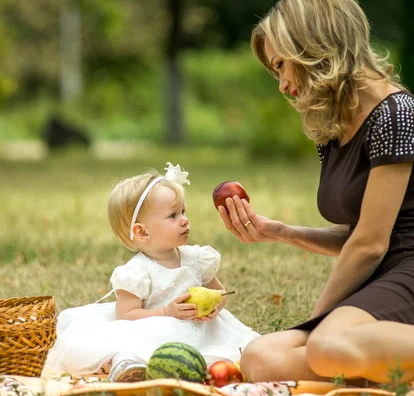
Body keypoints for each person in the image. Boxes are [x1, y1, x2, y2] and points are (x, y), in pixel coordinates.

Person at [216, 0, 414, 385]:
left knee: (325, 346)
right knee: (261, 358)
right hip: (373, 283)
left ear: (313, 46)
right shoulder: (335, 126)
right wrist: (282, 232)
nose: (284, 84)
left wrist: (312, 326)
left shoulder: (397, 114)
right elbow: (360, 233)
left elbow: (371, 244)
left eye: (281, 65)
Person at [42, 162, 259, 381]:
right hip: (154, 329)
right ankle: (127, 366)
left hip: (202, 329)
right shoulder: (137, 272)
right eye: (173, 216)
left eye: (183, 211)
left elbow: (220, 293)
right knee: (128, 344)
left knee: (233, 350)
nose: (185, 220)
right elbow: (126, 315)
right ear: (142, 232)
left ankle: (212, 369)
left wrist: (214, 307)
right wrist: (167, 312)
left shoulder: (196, 259)